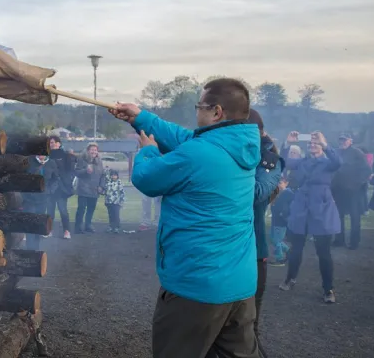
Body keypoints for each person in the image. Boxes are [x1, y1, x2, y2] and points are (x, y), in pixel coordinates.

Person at [110, 78, 263, 358]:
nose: (196, 112)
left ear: (216, 112)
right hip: (239, 285)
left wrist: (147, 150)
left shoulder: (199, 153)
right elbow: (185, 138)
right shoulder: (240, 145)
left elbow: (146, 178)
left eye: (199, 106)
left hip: (197, 286)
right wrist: (141, 118)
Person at [279, 131, 342, 303]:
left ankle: (328, 288)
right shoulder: (301, 162)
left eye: (316, 143)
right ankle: (290, 278)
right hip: (301, 206)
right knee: (296, 247)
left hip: (321, 207)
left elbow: (338, 162)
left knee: (324, 251)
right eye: (310, 144)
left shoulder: (328, 163)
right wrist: (287, 143)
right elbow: (283, 162)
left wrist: (326, 144)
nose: (313, 145)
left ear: (322, 145)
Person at [245, 109, 284, 337]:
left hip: (253, 252)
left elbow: (257, 193)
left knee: (248, 327)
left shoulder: (269, 161)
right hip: (224, 249)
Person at [330, 134, 372, 249]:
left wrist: (356, 184)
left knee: (355, 216)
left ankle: (354, 242)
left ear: (350, 141)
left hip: (354, 191)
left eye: (345, 140)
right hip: (338, 190)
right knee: (338, 216)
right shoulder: (335, 152)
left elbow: (367, 170)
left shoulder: (357, 153)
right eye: (340, 140)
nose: (342, 142)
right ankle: (339, 239)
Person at [22, 155, 58, 250]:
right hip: (29, 198)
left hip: (43, 199)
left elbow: (55, 179)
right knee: (30, 222)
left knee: (39, 223)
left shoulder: (51, 163)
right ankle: (30, 249)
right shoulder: (28, 161)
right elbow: (21, 177)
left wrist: (50, 190)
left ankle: (36, 248)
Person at [46, 136, 76, 239]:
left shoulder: (66, 156)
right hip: (50, 187)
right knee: (50, 212)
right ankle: (49, 231)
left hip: (62, 188)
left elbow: (71, 171)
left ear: (59, 143)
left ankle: (67, 231)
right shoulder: (47, 156)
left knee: (63, 211)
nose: (52, 144)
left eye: (53, 142)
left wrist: (66, 181)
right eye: (50, 143)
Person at [73, 143, 104, 234]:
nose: (94, 151)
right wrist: (85, 171)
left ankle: (88, 225)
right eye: (92, 149)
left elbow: (102, 175)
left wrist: (101, 186)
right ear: (88, 150)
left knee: (91, 208)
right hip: (83, 189)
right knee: (81, 208)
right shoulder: (82, 159)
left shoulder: (99, 161)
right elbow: (77, 172)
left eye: (95, 150)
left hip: (95, 189)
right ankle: (78, 227)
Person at [270, 177, 293, 266]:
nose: (278, 184)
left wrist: (283, 214)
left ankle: (279, 259)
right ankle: (289, 251)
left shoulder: (288, 194)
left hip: (281, 220)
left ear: (286, 183)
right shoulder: (277, 193)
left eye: (280, 182)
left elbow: (288, 208)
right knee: (274, 239)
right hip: (275, 219)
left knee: (277, 240)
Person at [101, 169, 126, 234]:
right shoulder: (108, 183)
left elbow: (122, 192)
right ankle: (111, 227)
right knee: (111, 215)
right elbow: (105, 191)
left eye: (115, 175)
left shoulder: (119, 183)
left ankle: (117, 227)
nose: (113, 177)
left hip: (116, 202)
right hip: (109, 202)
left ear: (117, 176)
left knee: (116, 215)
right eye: (112, 175)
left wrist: (122, 200)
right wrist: (101, 191)